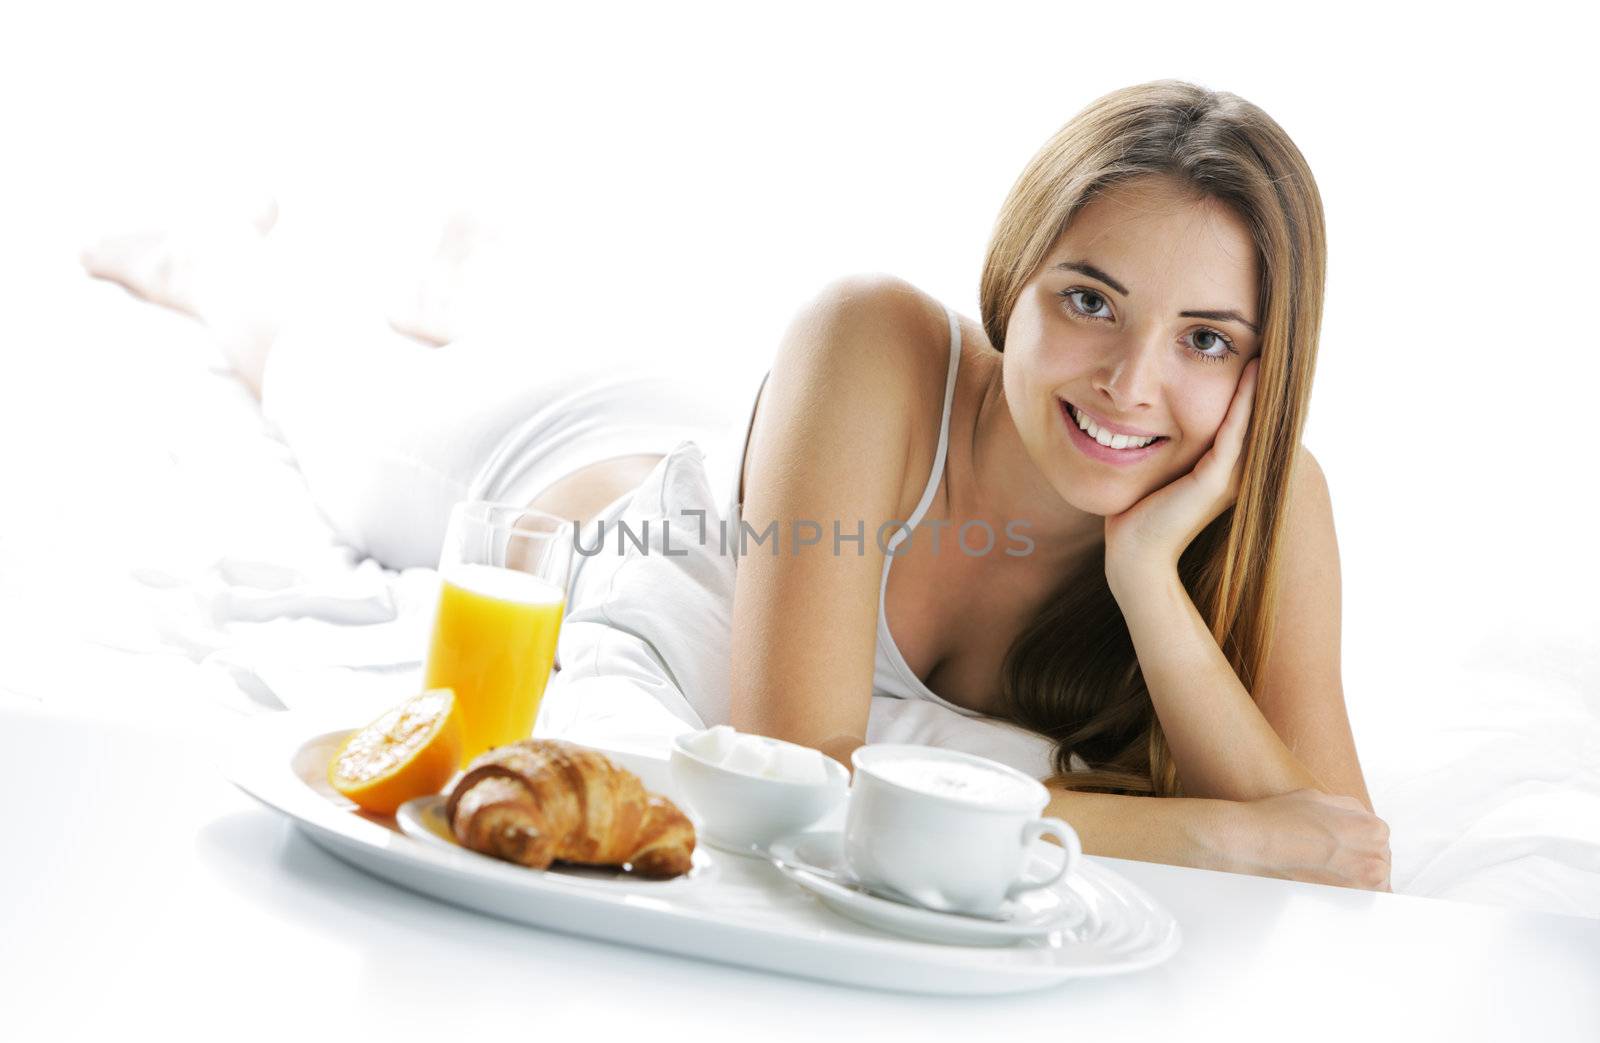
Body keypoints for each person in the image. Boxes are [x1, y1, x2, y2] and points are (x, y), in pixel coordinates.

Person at [84, 78, 1391, 893]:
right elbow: (794, 771)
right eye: (1090, 302)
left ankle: (472, 283)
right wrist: (1212, 840)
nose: (1130, 383)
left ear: (1268, 371)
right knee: (339, 405)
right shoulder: (876, 333)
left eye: (1207, 339)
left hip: (784, 465)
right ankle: (220, 270)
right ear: (1013, 282)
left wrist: (1149, 585)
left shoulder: (1266, 507)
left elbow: (1341, 852)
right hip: (592, 476)